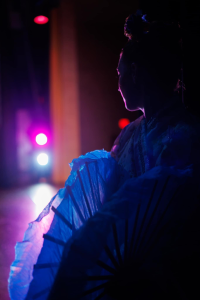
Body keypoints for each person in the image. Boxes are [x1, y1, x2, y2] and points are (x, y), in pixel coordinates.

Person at [8, 11, 200, 300]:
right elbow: (110, 208)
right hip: (122, 265)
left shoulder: (184, 136)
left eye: (121, 73)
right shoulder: (129, 136)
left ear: (136, 72)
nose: (119, 84)